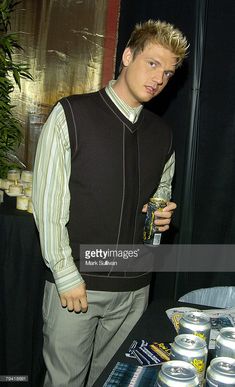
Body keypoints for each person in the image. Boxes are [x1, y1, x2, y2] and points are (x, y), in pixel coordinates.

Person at [32, 19, 188, 387]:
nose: (159, 78)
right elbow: (49, 206)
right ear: (127, 56)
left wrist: (159, 215)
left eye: (168, 72)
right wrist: (67, 276)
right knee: (64, 382)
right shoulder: (72, 114)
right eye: (152, 63)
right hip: (75, 286)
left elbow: (158, 196)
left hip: (135, 290)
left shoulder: (163, 135)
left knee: (115, 381)